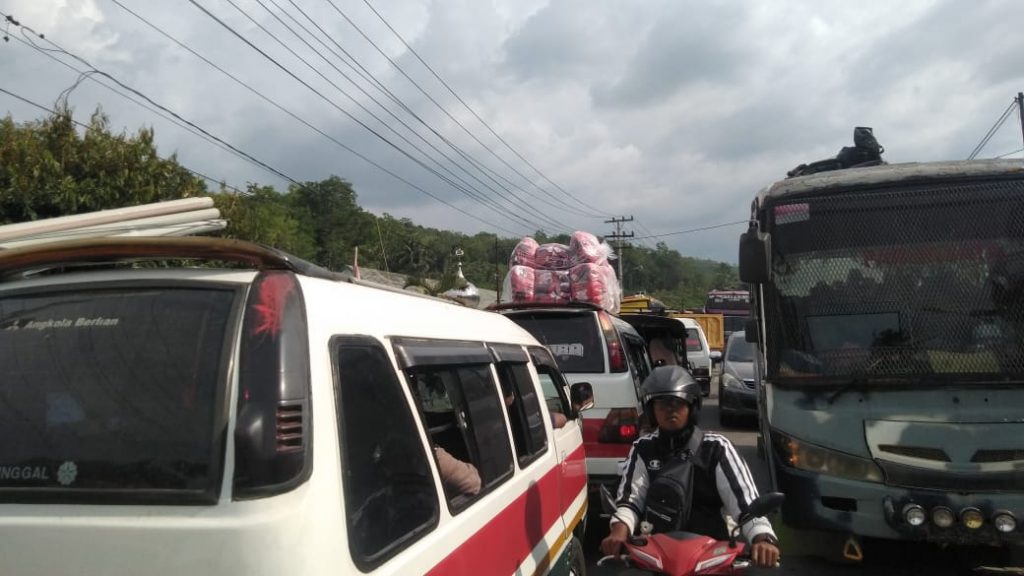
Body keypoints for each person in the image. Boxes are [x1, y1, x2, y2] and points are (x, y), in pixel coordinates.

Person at [601, 365, 781, 569]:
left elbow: (746, 503)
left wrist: (762, 538)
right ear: (651, 410)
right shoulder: (643, 448)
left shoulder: (716, 448)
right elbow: (630, 501)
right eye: (661, 403)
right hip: (657, 558)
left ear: (692, 407)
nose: (670, 409)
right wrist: (618, 532)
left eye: (677, 402)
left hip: (712, 560)